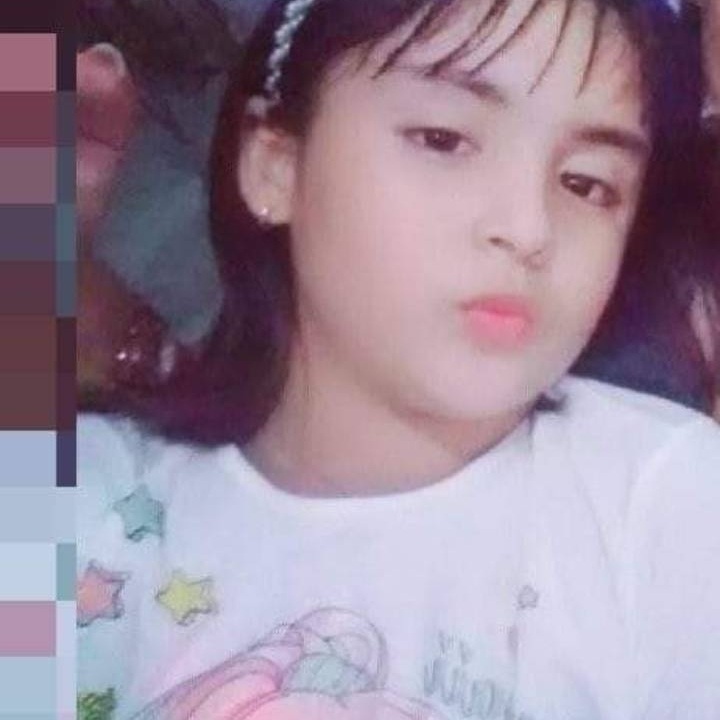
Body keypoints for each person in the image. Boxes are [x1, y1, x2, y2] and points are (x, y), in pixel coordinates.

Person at [77, 1, 720, 719]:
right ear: (274, 164)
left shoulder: (666, 505)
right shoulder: (89, 499)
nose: (528, 227)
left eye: (586, 183)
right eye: (444, 140)